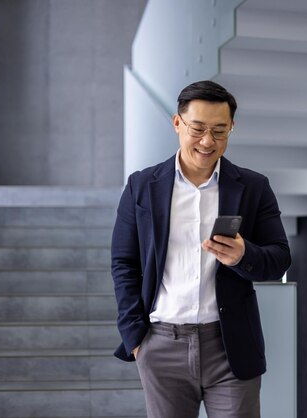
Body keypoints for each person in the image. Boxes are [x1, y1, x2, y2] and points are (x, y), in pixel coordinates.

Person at [111, 80, 291, 418]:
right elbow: (124, 263)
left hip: (231, 346)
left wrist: (243, 256)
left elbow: (280, 259)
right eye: (198, 129)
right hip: (161, 344)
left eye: (220, 131)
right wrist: (135, 337)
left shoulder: (253, 187)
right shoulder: (141, 186)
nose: (208, 141)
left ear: (232, 128)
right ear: (177, 123)